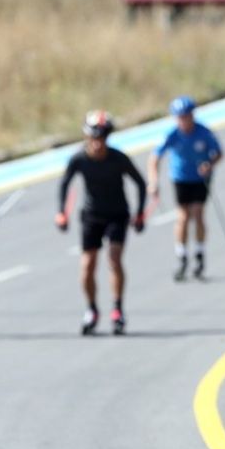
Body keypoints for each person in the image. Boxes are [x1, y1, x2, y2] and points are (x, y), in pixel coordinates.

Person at [56, 110, 147, 336]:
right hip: (91, 215)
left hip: (117, 214)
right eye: (95, 138)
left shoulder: (118, 158)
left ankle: (117, 309)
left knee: (114, 259)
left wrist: (140, 213)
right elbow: (64, 184)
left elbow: (140, 183)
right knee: (87, 265)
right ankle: (92, 309)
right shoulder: (79, 159)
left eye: (103, 138)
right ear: (87, 137)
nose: (99, 144)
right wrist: (61, 213)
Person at [147, 96, 223, 281]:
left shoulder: (204, 132)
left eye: (187, 116)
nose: (184, 121)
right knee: (183, 216)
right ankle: (181, 255)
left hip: (200, 178)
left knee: (198, 213)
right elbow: (154, 157)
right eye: (180, 117)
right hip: (180, 179)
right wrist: (153, 181)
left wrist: (209, 164)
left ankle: (199, 253)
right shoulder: (171, 134)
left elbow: (218, 153)